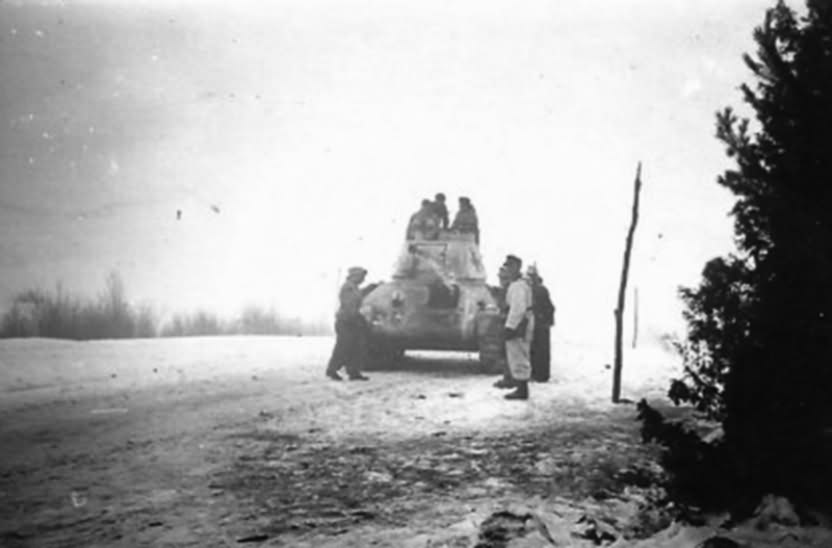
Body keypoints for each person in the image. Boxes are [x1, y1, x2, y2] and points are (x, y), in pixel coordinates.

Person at [326, 267, 372, 381]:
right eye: (361, 277)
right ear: (354, 276)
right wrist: (358, 318)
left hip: (351, 320)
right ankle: (332, 370)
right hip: (346, 321)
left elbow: (358, 295)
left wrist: (370, 288)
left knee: (355, 347)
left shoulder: (353, 287)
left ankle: (353, 371)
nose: (363, 279)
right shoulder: (348, 287)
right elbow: (350, 305)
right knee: (343, 346)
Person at [501, 254, 534, 400]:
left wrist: (510, 326)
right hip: (522, 321)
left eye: (509, 266)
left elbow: (518, 308)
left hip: (520, 323)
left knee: (518, 353)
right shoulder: (519, 284)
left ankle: (522, 389)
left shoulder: (518, 287)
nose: (507, 269)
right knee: (518, 353)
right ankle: (520, 385)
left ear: (516, 268)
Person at [527, 264, 555, 382]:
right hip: (539, 322)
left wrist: (543, 319)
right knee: (537, 350)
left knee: (540, 350)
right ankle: (538, 373)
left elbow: (549, 307)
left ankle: (540, 374)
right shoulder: (536, 289)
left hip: (540, 323)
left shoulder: (540, 290)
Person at [492, 264, 516, 389]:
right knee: (505, 351)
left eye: (503, 277)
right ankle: (508, 377)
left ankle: (511, 378)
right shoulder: (506, 289)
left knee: (510, 351)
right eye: (501, 277)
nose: (501, 279)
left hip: (509, 323)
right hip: (505, 322)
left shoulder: (511, 289)